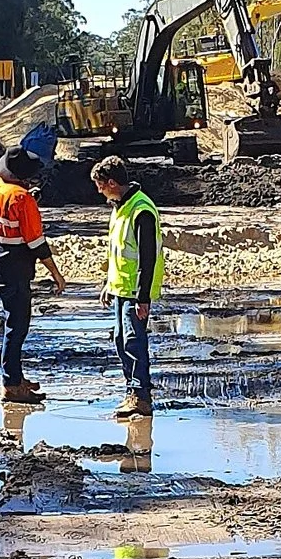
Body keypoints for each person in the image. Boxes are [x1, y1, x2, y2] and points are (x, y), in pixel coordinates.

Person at [0, 149, 63, 403]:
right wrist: (56, 273)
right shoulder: (21, 199)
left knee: (13, 323)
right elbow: (36, 242)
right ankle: (12, 384)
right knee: (17, 326)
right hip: (13, 268)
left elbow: (4, 218)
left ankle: (14, 376)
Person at [92, 154, 163, 419]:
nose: (99, 191)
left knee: (134, 341)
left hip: (135, 291)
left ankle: (141, 396)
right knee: (121, 340)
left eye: (101, 185)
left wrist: (142, 297)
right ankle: (132, 391)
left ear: (112, 182)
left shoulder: (141, 209)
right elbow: (118, 252)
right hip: (121, 287)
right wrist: (108, 283)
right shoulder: (120, 207)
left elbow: (147, 256)